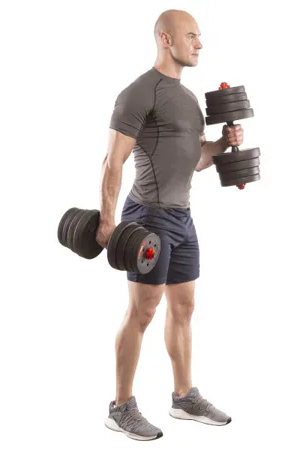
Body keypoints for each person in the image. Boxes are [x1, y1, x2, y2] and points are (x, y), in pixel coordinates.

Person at [96, 9, 243, 441]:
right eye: (191, 36)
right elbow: (113, 161)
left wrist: (221, 144)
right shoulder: (139, 93)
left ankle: (183, 397)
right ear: (165, 39)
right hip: (148, 217)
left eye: (199, 37)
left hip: (182, 218)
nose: (199, 44)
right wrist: (107, 221)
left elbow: (195, 160)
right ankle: (121, 407)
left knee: (184, 308)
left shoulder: (190, 100)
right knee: (143, 312)